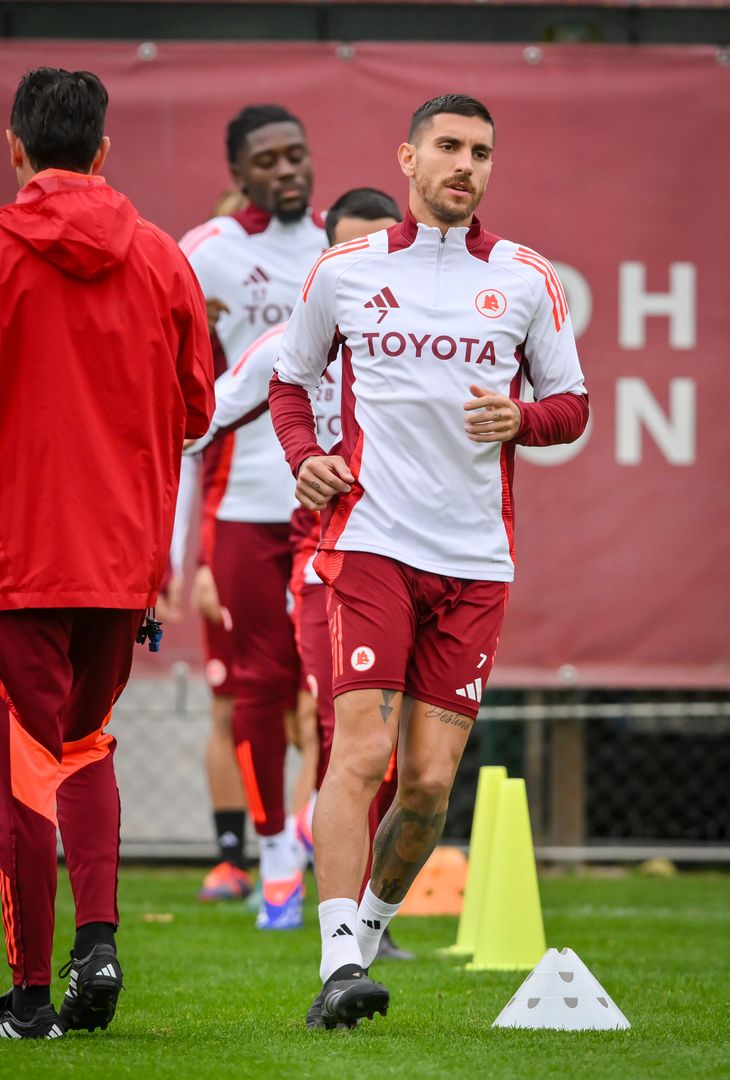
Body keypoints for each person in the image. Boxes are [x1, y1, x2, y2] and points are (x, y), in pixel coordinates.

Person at [269, 93, 589, 1029]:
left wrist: (521, 418)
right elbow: (289, 382)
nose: (465, 165)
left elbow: (571, 404)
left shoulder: (526, 277)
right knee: (361, 752)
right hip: (371, 542)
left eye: (480, 152)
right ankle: (336, 962)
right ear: (407, 158)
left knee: (427, 788)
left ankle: (364, 942)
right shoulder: (346, 270)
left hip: (476, 563)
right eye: (448, 147)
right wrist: (305, 457)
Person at [0, 68, 214, 1039]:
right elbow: (197, 410)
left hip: (17, 562)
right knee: (82, 745)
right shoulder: (164, 258)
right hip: (121, 562)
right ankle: (97, 942)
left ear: (16, 150)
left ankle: (30, 998)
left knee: (23, 767)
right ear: (102, 151)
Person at [172, 105, 327, 923]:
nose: (287, 170)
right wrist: (185, 553)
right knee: (256, 690)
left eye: (296, 155)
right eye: (268, 161)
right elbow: (181, 400)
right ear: (238, 173)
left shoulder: (344, 245)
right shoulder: (208, 252)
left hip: (334, 502)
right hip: (243, 505)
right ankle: (268, 856)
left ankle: (320, 843)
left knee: (336, 693)